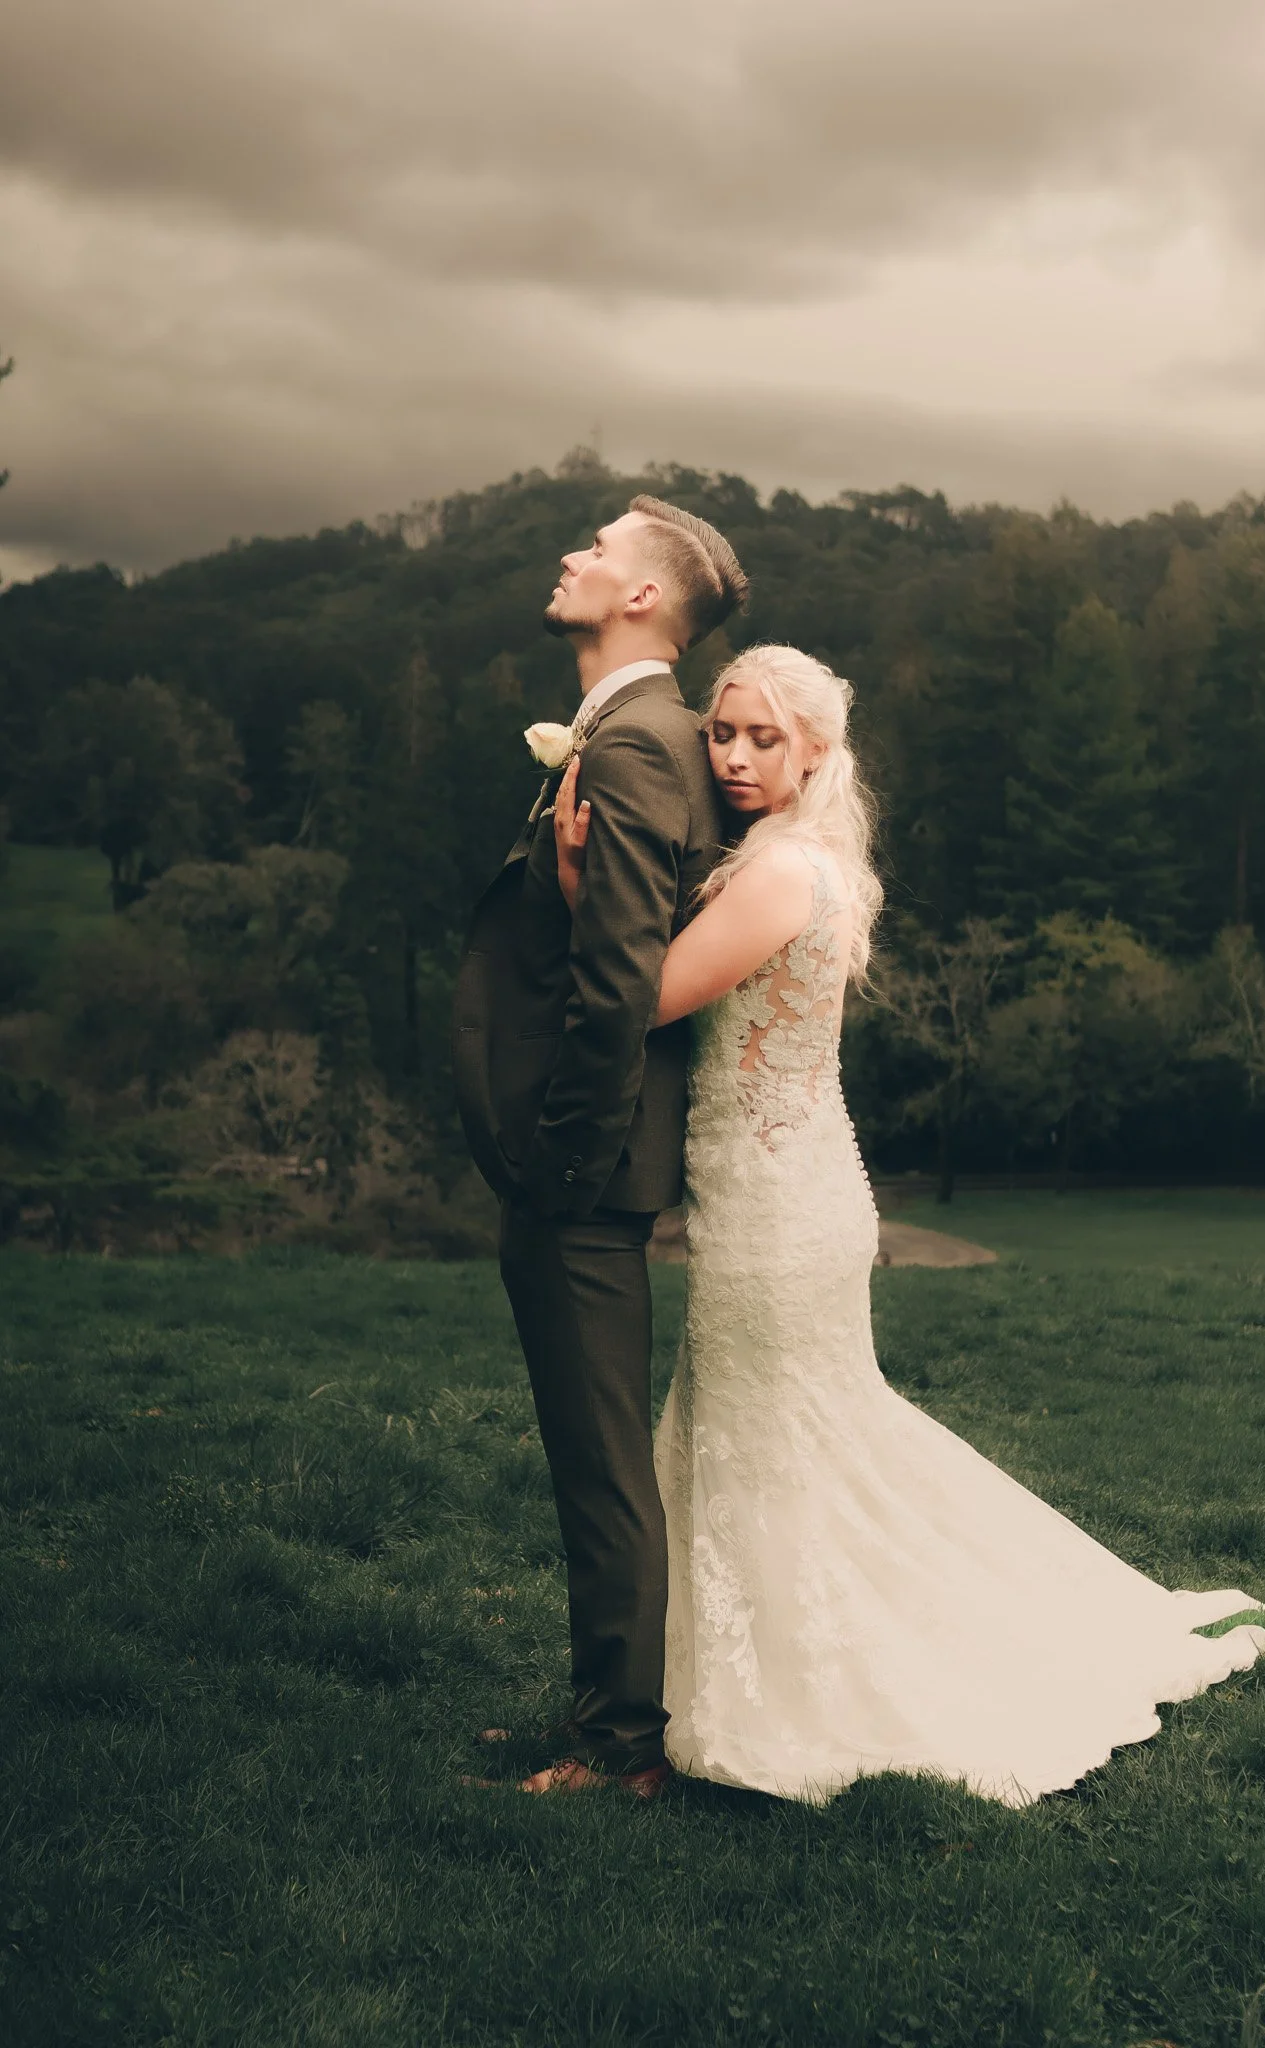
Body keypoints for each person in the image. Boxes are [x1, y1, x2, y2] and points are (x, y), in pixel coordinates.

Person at [552, 642, 1265, 1806]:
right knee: (792, 1430)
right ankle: (692, 1678)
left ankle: (786, 1689)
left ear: (816, 754)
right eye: (721, 733)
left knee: (771, 1438)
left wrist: (579, 875)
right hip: (787, 1187)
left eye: (761, 738)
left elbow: (646, 999)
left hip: (779, 1204)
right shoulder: (804, 859)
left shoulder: (783, 873)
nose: (732, 755)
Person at [451, 495, 748, 1797]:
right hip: (589, 1165)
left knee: (600, 1466)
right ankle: (601, 1707)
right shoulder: (649, 734)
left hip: (582, 1170)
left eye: (597, 549)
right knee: (597, 1456)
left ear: (641, 600)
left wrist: (559, 1164)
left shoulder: (632, 746)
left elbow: (618, 983)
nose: (570, 554)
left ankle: (623, 1747)